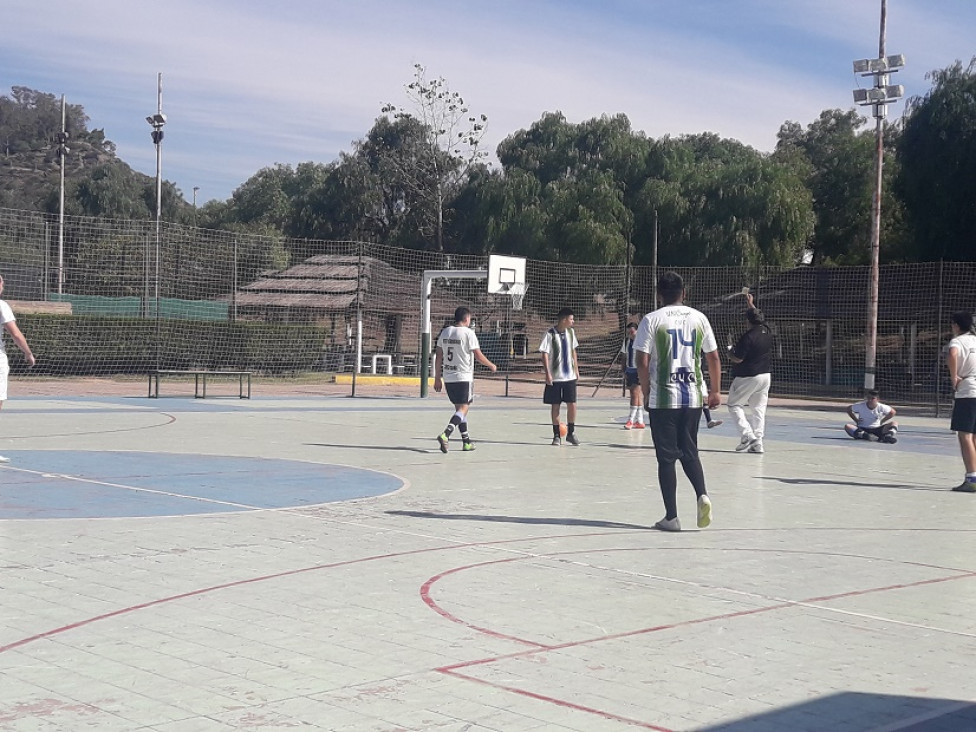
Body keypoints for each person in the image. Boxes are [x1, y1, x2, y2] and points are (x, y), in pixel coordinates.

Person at [635, 272, 721, 531]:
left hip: (664, 397)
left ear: (659, 294)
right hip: (693, 397)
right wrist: (715, 391)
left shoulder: (651, 320)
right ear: (684, 293)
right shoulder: (699, 318)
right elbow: (714, 357)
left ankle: (671, 517)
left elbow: (641, 360)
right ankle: (702, 493)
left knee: (666, 458)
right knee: (690, 450)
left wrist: (647, 389)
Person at [433, 307, 496, 453]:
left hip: (449, 378)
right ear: (467, 319)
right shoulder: (468, 333)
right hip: (463, 377)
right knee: (464, 408)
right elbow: (478, 355)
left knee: (459, 411)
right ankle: (446, 434)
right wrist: (491, 365)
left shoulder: (445, 332)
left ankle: (466, 441)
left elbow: (439, 357)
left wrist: (437, 378)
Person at [726, 293, 773, 454]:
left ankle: (747, 435)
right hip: (765, 376)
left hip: (748, 375)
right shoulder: (766, 330)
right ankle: (758, 442)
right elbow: (756, 315)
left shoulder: (748, 337)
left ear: (747, 321)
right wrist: (750, 304)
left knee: (733, 404)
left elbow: (738, 358)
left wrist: (729, 353)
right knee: (759, 409)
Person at [0, 274, 37, 464]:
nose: (3, 285)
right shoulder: (1, 306)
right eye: (2, 282)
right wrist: (28, 353)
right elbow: (15, 333)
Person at [540, 307, 580, 446]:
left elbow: (573, 350)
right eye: (571, 319)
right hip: (555, 377)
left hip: (569, 376)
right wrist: (547, 373)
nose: (573, 321)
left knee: (572, 404)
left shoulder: (571, 332)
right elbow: (544, 354)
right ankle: (556, 435)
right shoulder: (549, 334)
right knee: (555, 406)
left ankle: (571, 433)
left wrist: (576, 369)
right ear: (564, 320)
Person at [946, 310, 976, 492]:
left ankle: (971, 477)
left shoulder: (957, 341)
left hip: (968, 391)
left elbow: (952, 355)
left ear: (956, 325)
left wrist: (954, 377)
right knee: (974, 435)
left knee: (964, 435)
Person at [620, 322, 645, 429]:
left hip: (638, 370)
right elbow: (624, 356)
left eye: (632, 332)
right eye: (628, 332)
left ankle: (630, 420)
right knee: (636, 394)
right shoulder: (627, 342)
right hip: (630, 370)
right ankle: (640, 421)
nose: (630, 334)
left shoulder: (642, 341)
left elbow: (646, 356)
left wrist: (644, 371)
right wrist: (623, 370)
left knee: (635, 394)